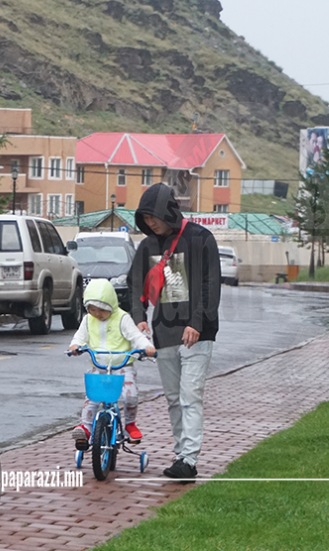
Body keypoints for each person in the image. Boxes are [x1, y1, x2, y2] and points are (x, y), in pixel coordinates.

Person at [129, 182, 221, 482]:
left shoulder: (200, 238)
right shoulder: (147, 246)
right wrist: (139, 317)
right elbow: (135, 284)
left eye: (152, 216)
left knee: (190, 396)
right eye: (144, 218)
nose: (149, 222)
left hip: (197, 332)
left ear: (167, 211)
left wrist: (197, 322)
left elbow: (210, 284)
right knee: (172, 397)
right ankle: (181, 453)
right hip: (164, 331)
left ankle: (189, 460)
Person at [68, 278, 156, 448]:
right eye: (92, 310)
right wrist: (75, 346)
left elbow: (136, 337)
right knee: (92, 398)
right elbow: (79, 337)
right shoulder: (88, 320)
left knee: (130, 394)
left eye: (102, 310)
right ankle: (85, 429)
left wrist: (146, 347)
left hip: (122, 367)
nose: (97, 314)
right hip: (99, 366)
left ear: (111, 305)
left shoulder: (122, 319)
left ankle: (130, 424)